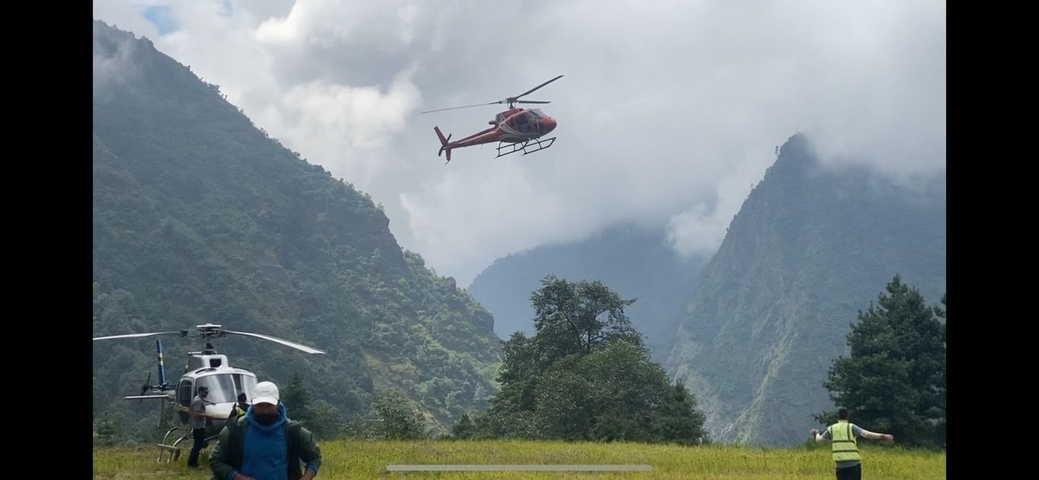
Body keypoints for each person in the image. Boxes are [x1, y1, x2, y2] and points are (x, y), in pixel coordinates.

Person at [210, 380, 322, 480]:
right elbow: (216, 460)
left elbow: (314, 457)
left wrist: (307, 477)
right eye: (260, 406)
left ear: (278, 403)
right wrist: (236, 477)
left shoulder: (292, 431)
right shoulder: (235, 429)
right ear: (252, 403)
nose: (265, 411)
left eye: (269, 405)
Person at [809, 407, 894, 480]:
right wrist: (882, 436)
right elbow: (867, 435)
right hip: (854, 465)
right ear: (847, 417)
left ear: (837, 417)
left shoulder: (831, 429)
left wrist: (816, 433)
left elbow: (819, 441)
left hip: (840, 466)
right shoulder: (851, 427)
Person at [187, 385, 212, 469]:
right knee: (197, 446)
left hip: (196, 426)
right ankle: (192, 464)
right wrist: (207, 415)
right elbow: (197, 414)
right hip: (199, 426)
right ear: (200, 391)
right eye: (205, 392)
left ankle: (192, 462)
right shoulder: (198, 401)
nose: (206, 393)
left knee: (197, 445)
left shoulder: (196, 399)